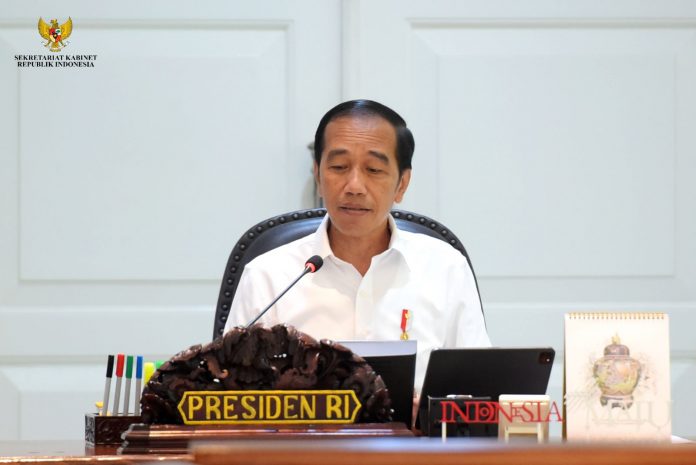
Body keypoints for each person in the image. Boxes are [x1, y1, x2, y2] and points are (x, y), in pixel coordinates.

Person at [224, 99, 490, 390]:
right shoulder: (267, 276)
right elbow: (232, 397)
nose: (354, 186)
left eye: (374, 170)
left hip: (416, 436)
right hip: (300, 437)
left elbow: (478, 391)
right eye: (338, 166)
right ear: (318, 175)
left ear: (402, 184)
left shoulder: (445, 268)